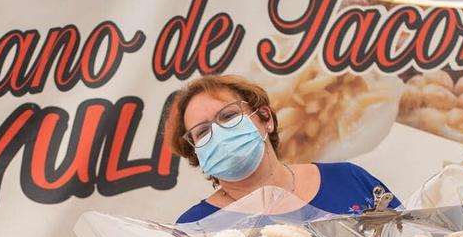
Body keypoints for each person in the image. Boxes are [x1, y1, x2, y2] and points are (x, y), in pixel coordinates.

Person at [163, 74, 400, 224]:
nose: (219, 134)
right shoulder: (196, 227)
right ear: (196, 153)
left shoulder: (348, 179)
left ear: (265, 118)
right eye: (203, 132)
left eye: (229, 116)